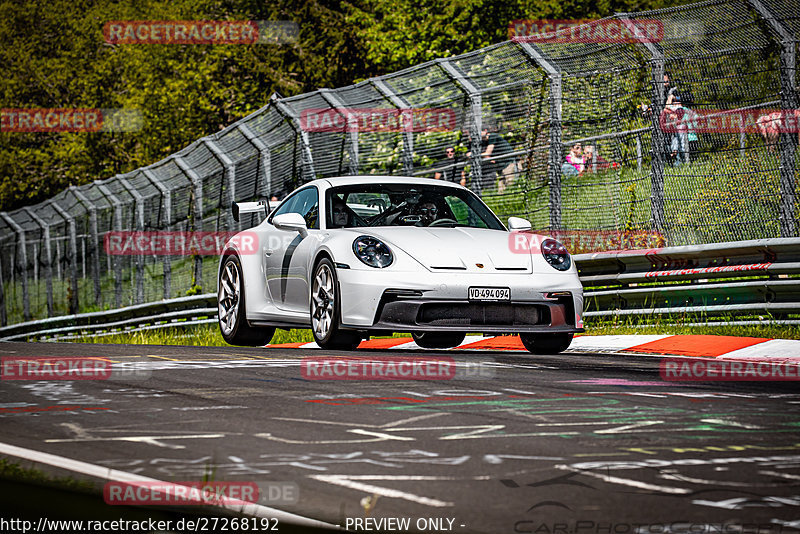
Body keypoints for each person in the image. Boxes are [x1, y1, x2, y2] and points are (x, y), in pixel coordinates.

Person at [467, 124, 514, 193]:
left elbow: (487, 153)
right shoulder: (484, 142)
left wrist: (473, 155)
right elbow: (485, 155)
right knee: (501, 191)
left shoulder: (492, 136)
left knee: (510, 185)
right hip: (500, 166)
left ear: (485, 131)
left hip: (509, 163)